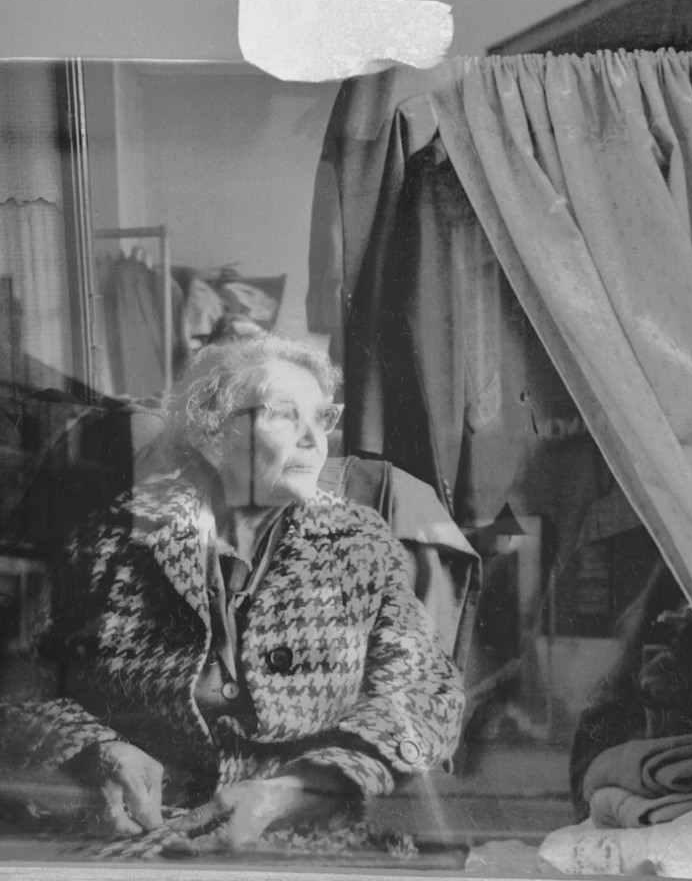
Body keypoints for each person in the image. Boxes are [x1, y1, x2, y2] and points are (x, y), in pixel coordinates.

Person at [0, 333, 464, 851]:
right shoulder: (113, 539)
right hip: (138, 832)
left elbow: (427, 696)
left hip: (310, 837)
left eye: (323, 417)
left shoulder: (361, 544)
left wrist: (292, 791)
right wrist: (97, 752)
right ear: (212, 432)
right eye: (285, 415)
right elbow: (20, 686)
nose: (316, 440)